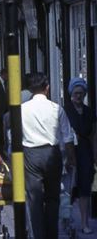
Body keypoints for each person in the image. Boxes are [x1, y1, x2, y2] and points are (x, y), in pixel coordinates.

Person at [21, 73, 75, 239]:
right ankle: (52, 234)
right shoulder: (56, 108)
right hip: (52, 153)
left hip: (30, 153)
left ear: (30, 89)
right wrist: (71, 160)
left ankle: (38, 234)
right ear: (47, 88)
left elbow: (14, 134)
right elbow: (68, 136)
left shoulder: (22, 109)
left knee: (34, 198)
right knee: (53, 198)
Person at [64, 77, 95, 235]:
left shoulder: (89, 111)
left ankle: (84, 222)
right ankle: (67, 221)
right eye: (76, 93)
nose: (78, 96)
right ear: (71, 93)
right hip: (69, 150)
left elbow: (93, 134)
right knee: (68, 189)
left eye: (81, 93)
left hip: (85, 151)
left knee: (85, 188)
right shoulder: (65, 110)